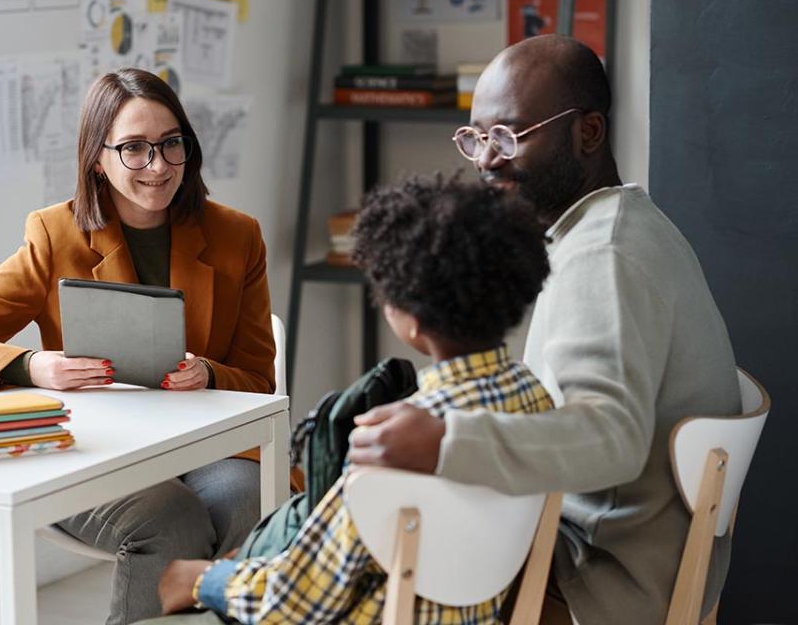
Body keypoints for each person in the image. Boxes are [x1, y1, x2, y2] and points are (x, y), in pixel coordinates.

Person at [346, 34, 741, 625]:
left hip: (603, 578)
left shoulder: (601, 258)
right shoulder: (627, 222)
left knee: (378, 550)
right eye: (476, 137)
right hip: (634, 550)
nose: (484, 158)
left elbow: (611, 436)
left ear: (587, 133)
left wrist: (445, 440)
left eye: (508, 136)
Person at [0, 68, 276, 625]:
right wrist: (32, 366)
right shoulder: (56, 235)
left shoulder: (235, 235)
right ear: (96, 158)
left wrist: (211, 375)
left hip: (205, 449)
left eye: (172, 144)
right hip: (95, 449)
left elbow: (258, 377)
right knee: (170, 519)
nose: (158, 166)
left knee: (246, 498)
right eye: (133, 149)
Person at [142, 174, 556, 624]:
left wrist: (202, 579)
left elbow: (293, 604)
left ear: (411, 320)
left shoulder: (396, 443)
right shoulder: (536, 403)